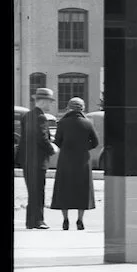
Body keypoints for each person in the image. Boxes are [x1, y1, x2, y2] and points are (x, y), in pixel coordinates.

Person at [51, 96, 98, 232]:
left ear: (68, 108)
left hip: (66, 160)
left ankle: (65, 220)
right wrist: (83, 148)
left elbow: (57, 141)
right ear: (82, 108)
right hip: (83, 160)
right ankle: (80, 220)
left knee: (64, 188)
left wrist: (66, 147)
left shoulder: (62, 123)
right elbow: (95, 142)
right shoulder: (87, 123)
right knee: (82, 190)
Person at [20, 88, 55, 230]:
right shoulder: (41, 117)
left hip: (26, 159)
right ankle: (38, 220)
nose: (51, 104)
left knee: (32, 191)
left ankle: (31, 221)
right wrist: (52, 148)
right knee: (39, 191)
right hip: (38, 160)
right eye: (50, 101)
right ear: (44, 101)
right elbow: (41, 138)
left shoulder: (27, 116)